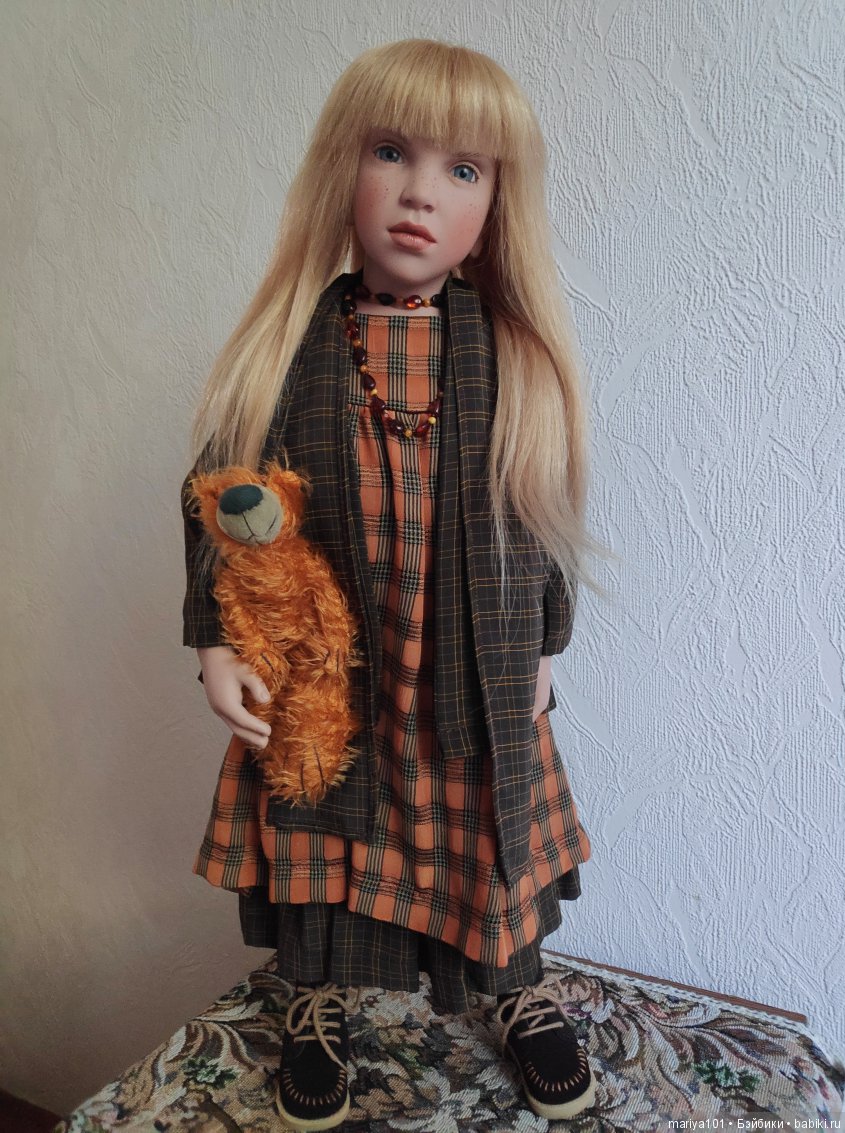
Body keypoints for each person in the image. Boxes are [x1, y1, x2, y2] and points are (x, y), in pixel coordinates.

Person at [181, 37, 611, 1129]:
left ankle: (514, 990)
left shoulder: (513, 357)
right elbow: (225, 495)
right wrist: (216, 637)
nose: (421, 193)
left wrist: (543, 647)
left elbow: (542, 516)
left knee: (484, 833)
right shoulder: (287, 347)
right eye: (391, 153)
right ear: (344, 166)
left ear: (495, 206)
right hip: (332, 663)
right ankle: (315, 996)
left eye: (462, 169)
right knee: (321, 824)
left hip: (469, 659)